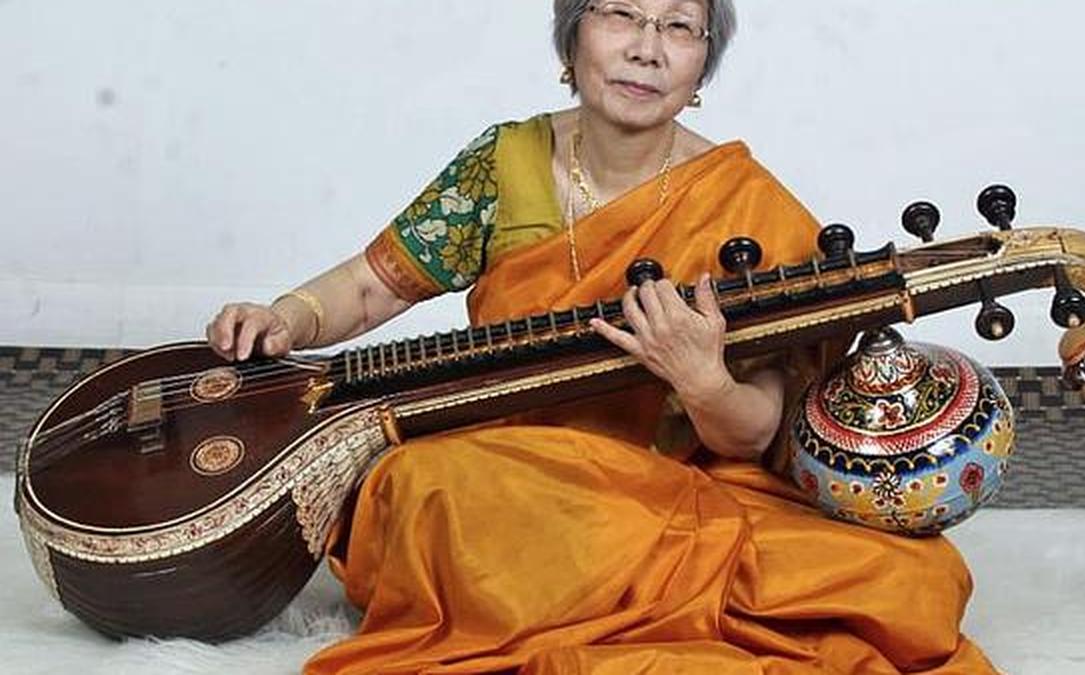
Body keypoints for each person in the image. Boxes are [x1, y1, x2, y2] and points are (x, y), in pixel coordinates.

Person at [206, 1, 998, 672]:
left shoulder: (750, 206)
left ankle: (587, 591)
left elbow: (758, 431)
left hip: (666, 488)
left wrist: (702, 380)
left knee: (909, 580)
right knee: (417, 487)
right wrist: (289, 316)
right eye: (621, 13)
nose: (647, 48)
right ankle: (641, 594)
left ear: (702, 64)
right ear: (573, 36)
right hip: (504, 473)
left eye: (679, 27)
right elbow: (375, 283)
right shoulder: (506, 164)